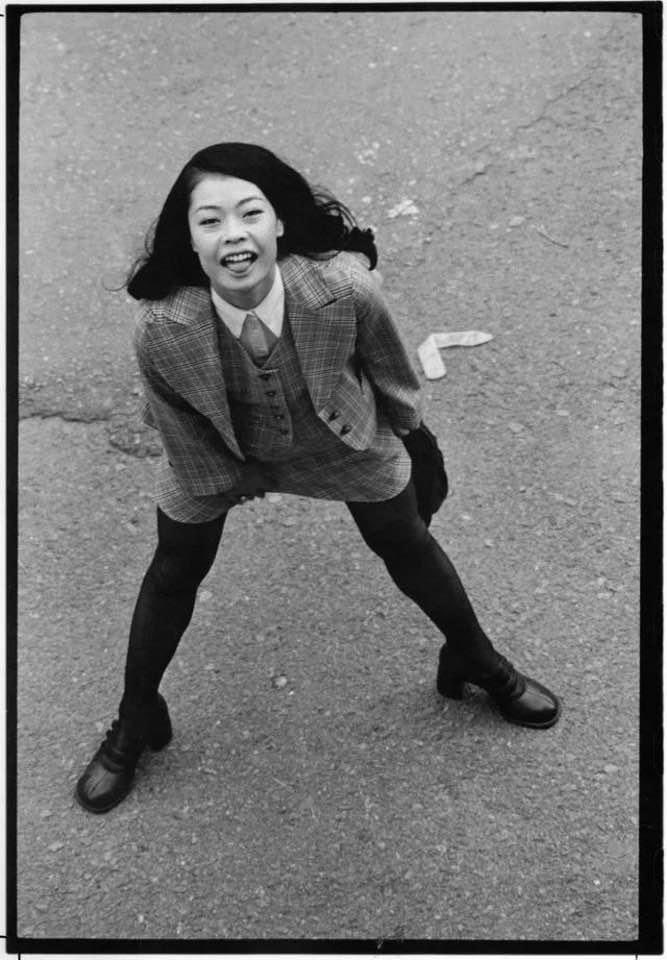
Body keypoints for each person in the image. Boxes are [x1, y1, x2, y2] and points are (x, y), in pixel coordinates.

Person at [76, 142, 560, 814]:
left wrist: (414, 443)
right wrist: (225, 478)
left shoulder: (342, 288)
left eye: (250, 213)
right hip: (217, 448)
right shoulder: (164, 326)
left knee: (407, 541)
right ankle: (136, 713)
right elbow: (170, 418)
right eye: (209, 222)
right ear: (187, 243)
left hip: (340, 434)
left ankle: (475, 659)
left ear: (279, 224)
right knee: (173, 567)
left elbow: (393, 374)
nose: (234, 235)